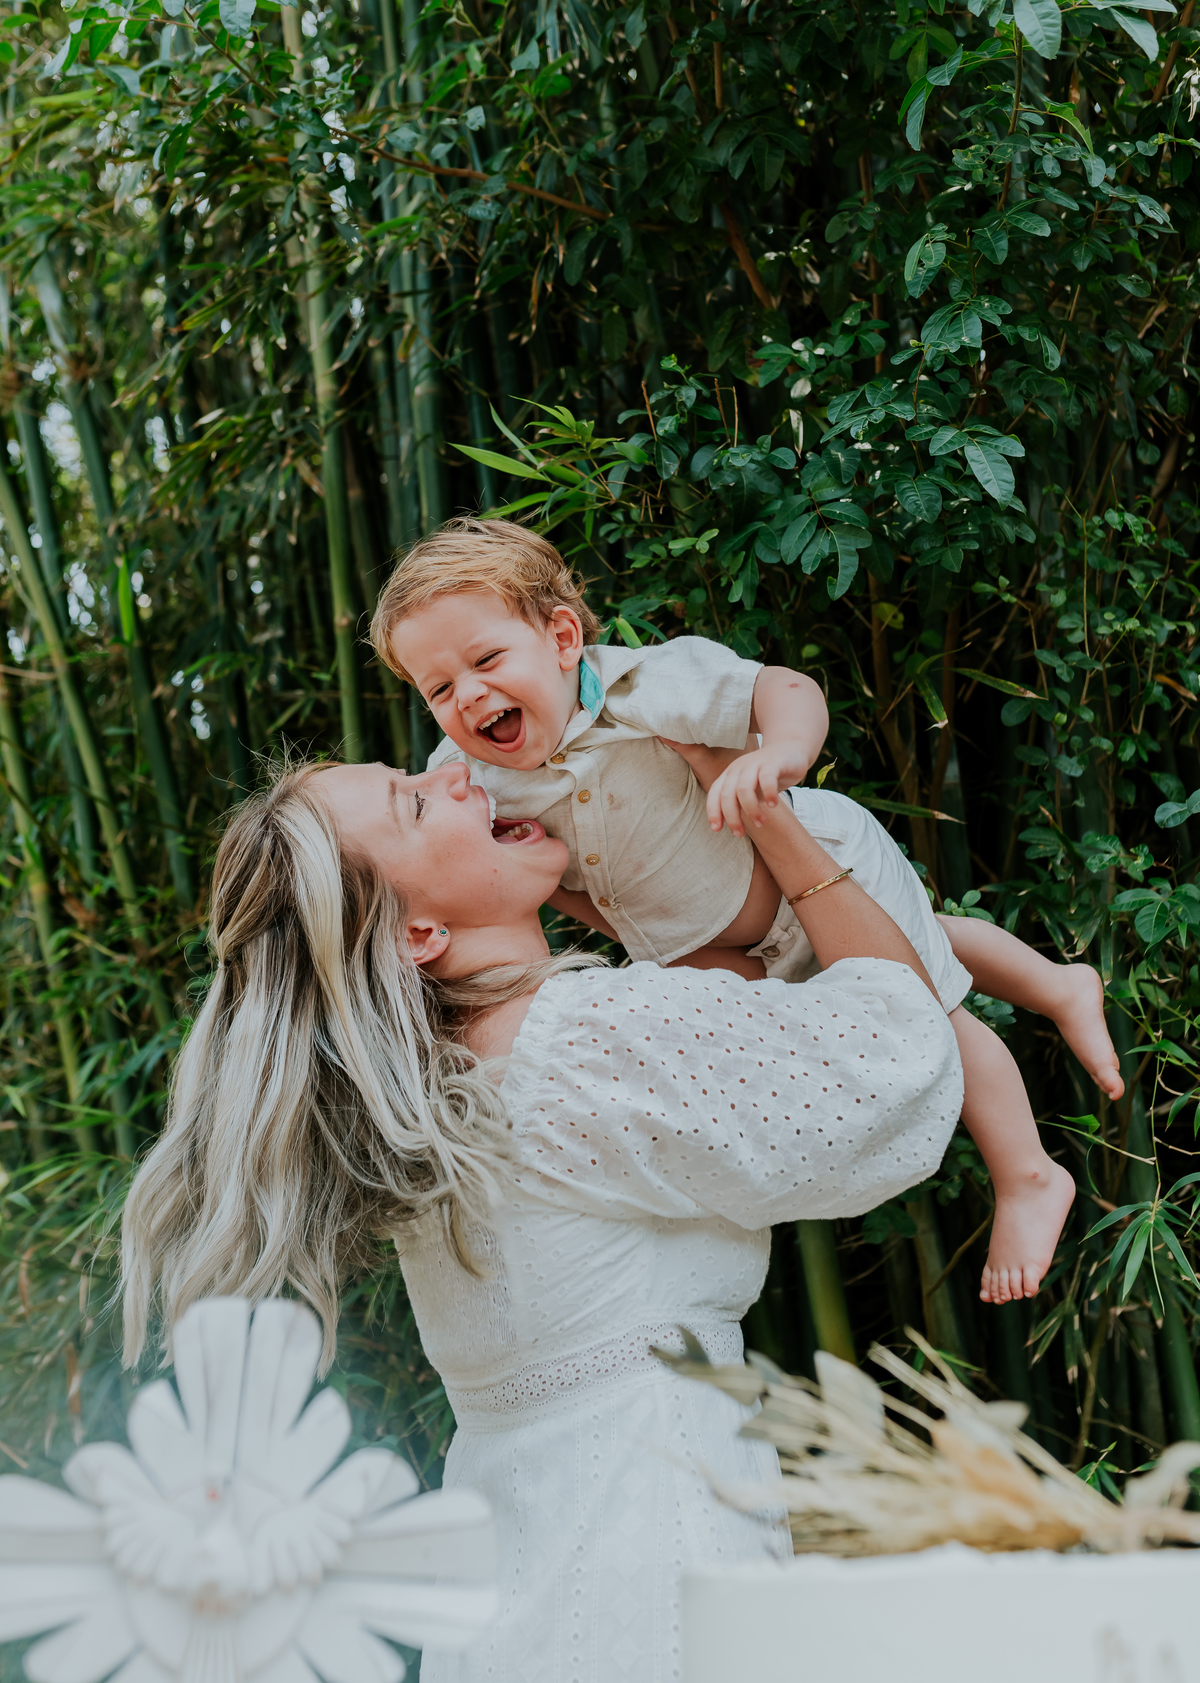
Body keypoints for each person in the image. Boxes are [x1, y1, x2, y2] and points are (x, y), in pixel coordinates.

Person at [121, 752, 963, 1683]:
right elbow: (899, 1063)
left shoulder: (438, 1099)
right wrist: (774, 822)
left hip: (516, 1598)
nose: (454, 776)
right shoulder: (580, 1043)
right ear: (418, 932)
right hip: (649, 1562)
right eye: (414, 805)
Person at [370, 518, 1122, 1305]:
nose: (469, 696)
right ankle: (1058, 983)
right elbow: (522, 876)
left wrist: (783, 753)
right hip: (707, 943)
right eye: (439, 689)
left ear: (561, 638)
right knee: (835, 995)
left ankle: (1028, 1174)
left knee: (930, 1008)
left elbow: (783, 689)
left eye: (487, 660)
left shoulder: (642, 688)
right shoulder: (466, 777)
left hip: (812, 869)